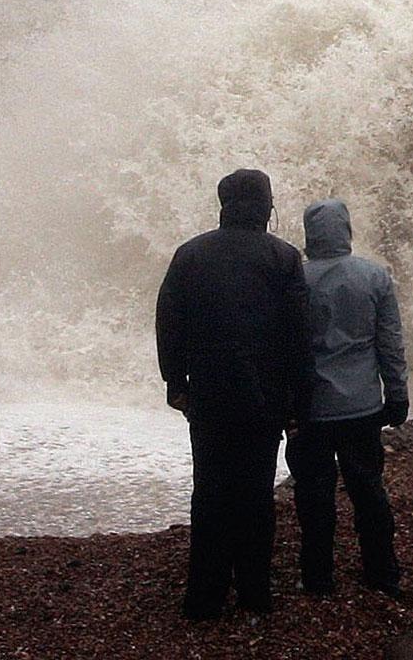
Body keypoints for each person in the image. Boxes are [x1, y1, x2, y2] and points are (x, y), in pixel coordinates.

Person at [155, 168, 310, 621]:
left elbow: (169, 321)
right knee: (255, 494)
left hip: (207, 394)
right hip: (265, 397)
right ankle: (254, 594)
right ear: (266, 206)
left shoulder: (190, 255)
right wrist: (300, 402)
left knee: (209, 492)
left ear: (223, 205)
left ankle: (203, 597)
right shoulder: (283, 258)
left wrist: (175, 382)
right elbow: (298, 335)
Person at [289, 197, 409, 599]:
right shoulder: (374, 277)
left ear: (309, 234)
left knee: (314, 496)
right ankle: (382, 571)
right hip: (362, 406)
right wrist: (397, 394)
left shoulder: (295, 281)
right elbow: (389, 344)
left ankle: (318, 577)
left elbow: (284, 349)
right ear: (347, 231)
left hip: (312, 411)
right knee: (369, 491)